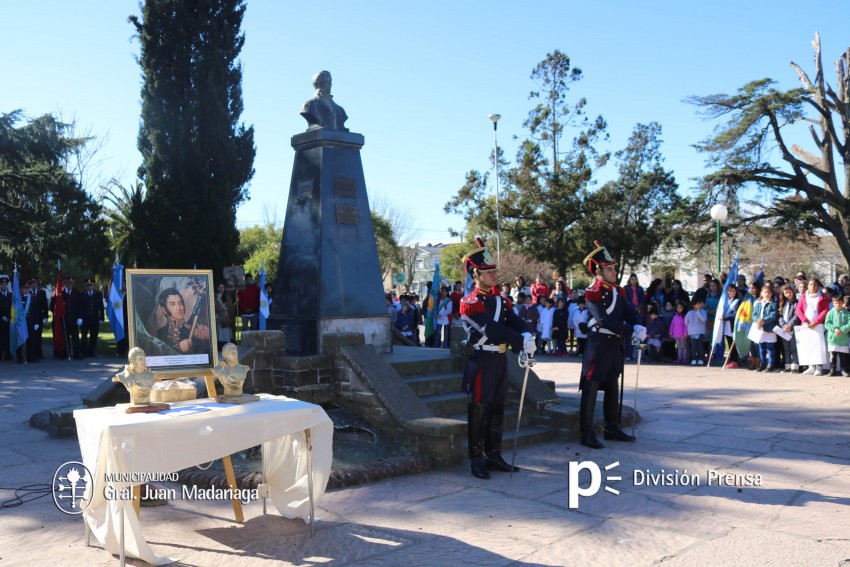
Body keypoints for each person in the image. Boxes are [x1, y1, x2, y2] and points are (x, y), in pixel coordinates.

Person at [459, 237, 534, 479]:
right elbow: (491, 330)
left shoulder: (501, 300)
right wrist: (520, 339)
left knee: (498, 408)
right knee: (479, 408)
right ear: (476, 275)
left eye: (493, 271)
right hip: (482, 361)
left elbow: (514, 320)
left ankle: (494, 454)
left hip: (501, 360)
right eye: (487, 272)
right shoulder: (469, 302)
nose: (493, 275)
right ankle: (476, 458)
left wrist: (526, 332)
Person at [577, 241, 646, 449]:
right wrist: (629, 330)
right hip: (598, 345)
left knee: (612, 386)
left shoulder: (618, 292)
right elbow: (604, 320)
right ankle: (586, 433)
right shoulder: (593, 292)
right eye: (609, 269)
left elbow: (631, 313)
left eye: (614, 268)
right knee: (591, 388)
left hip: (614, 345)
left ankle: (612, 428)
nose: (614, 272)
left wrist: (638, 325)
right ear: (599, 271)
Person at [155, 288, 211, 355]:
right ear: (164, 310)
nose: (178, 308)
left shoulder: (194, 330)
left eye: (180, 303)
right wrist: (178, 348)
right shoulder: (160, 333)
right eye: (172, 304)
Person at [796, 278, 830, 376]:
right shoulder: (804, 297)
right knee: (808, 345)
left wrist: (816, 321)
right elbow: (799, 309)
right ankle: (811, 367)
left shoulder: (822, 297)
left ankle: (819, 368)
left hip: (818, 326)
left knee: (818, 346)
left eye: (815, 285)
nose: (812, 287)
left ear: (818, 286)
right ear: (808, 286)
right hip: (806, 325)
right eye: (810, 284)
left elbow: (825, 310)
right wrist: (805, 321)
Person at [51, 275, 82, 359]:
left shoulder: (77, 292)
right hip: (63, 319)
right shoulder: (59, 293)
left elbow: (80, 306)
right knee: (65, 338)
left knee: (75, 338)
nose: (70, 284)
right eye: (68, 283)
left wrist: (80, 317)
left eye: (71, 283)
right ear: (64, 283)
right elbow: (53, 306)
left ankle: (76, 354)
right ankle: (65, 353)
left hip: (74, 319)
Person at [752, 285, 779, 372]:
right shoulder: (758, 304)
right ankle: (762, 364)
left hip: (769, 329)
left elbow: (773, 315)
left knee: (770, 347)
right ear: (761, 293)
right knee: (761, 347)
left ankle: (771, 364)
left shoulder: (773, 304)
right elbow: (754, 314)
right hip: (760, 329)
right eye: (765, 292)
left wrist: (763, 321)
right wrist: (757, 320)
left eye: (768, 292)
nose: (767, 294)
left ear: (771, 294)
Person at [78, 277, 105, 358]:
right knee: (84, 336)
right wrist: (80, 318)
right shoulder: (81, 294)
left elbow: (101, 307)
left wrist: (101, 318)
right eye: (87, 285)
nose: (89, 286)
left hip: (95, 319)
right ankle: (84, 352)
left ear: (93, 285)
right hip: (85, 319)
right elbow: (79, 307)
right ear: (85, 286)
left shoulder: (98, 294)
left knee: (94, 336)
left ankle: (92, 352)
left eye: (91, 285)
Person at [777, 284, 801, 373]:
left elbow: (796, 315)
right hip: (784, 329)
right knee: (786, 348)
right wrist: (783, 325)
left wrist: (789, 325)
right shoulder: (782, 304)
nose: (788, 294)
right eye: (786, 293)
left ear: (793, 292)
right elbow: (779, 316)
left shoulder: (796, 302)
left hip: (793, 328)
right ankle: (787, 366)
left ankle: (795, 366)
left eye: (789, 292)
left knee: (793, 348)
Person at [825, 295, 850, 376]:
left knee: (844, 356)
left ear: (842, 303)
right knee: (832, 356)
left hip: (843, 339)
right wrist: (834, 329)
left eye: (839, 303)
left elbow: (849, 323)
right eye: (836, 303)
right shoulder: (830, 313)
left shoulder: (847, 313)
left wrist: (842, 330)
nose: (838, 305)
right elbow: (827, 323)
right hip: (833, 339)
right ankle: (832, 370)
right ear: (833, 303)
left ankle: (844, 370)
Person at [25, 277, 49, 361]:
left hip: (39, 317)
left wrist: (46, 316)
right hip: (31, 318)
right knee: (31, 336)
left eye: (36, 283)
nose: (34, 284)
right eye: (32, 283)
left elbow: (45, 305)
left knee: (38, 336)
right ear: (30, 284)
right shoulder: (28, 292)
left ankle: (39, 353)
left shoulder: (42, 292)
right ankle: (32, 354)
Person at [721, 285, 742, 368]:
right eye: (730, 291)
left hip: (733, 325)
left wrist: (725, 317)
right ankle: (731, 358)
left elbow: (735, 314)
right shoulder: (725, 301)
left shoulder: (737, 301)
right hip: (726, 325)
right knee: (729, 343)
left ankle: (735, 360)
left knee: (734, 343)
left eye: (733, 291)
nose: (731, 293)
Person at [685, 298, 707, 366]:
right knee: (693, 346)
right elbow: (686, 322)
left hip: (700, 331)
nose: (699, 305)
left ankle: (700, 359)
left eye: (699, 304)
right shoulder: (689, 313)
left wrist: (698, 312)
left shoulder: (703, 311)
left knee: (700, 346)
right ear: (694, 305)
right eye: (697, 304)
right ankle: (693, 359)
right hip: (692, 332)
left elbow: (704, 319)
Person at [214, 283, 235, 349]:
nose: (221, 289)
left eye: (222, 287)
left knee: (226, 330)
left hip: (226, 316)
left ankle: (228, 345)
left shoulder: (227, 296)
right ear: (218, 288)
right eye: (220, 287)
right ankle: (219, 345)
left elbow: (230, 306)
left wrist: (234, 304)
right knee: (219, 331)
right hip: (218, 316)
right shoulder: (215, 296)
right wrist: (221, 308)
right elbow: (214, 306)